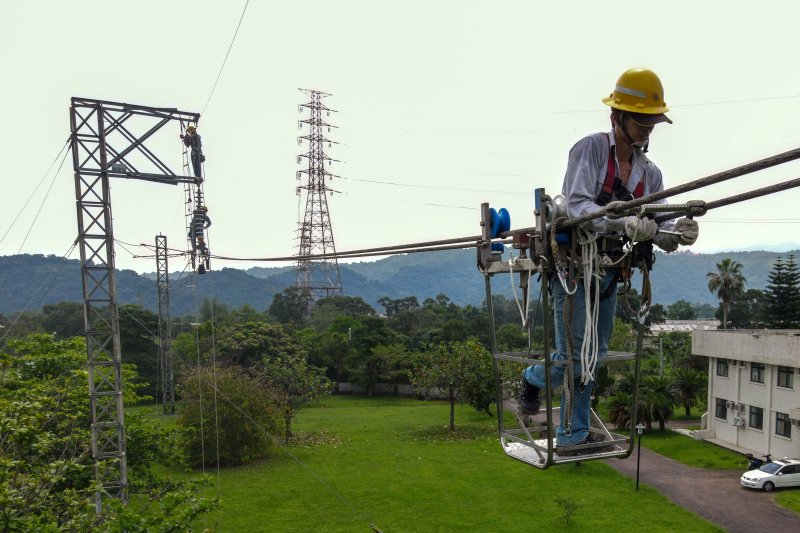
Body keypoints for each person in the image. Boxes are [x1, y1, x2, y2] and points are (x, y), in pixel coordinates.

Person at [518, 68, 700, 452]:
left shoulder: (651, 173)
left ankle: (562, 415)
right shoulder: (591, 150)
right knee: (571, 357)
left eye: (652, 122)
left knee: (593, 356)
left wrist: (676, 230)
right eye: (640, 120)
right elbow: (579, 204)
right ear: (617, 116)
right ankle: (551, 405)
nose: (647, 129)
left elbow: (658, 218)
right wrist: (623, 219)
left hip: (610, 271)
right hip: (573, 268)